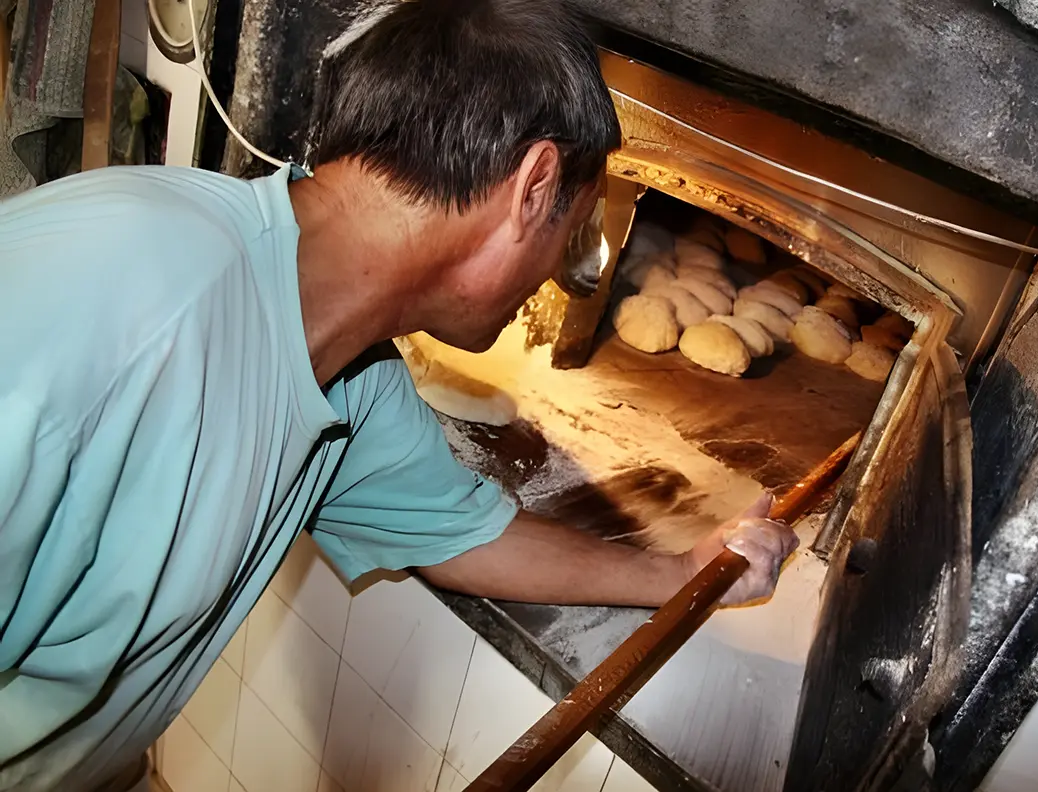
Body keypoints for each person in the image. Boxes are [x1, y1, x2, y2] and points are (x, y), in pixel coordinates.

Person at [0, 1, 799, 790]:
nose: (560, 269)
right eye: (573, 227)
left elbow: (464, 534)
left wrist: (687, 571)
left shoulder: (354, 374)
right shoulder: (116, 300)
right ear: (534, 185)